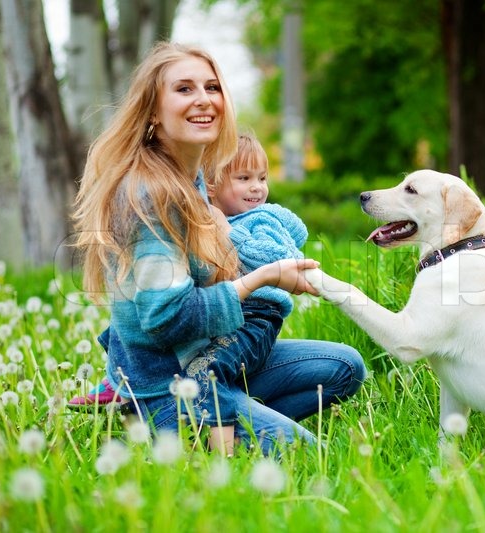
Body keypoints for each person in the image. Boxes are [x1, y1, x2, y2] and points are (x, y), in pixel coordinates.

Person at [71, 41, 365, 455]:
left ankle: (227, 420)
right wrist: (262, 278)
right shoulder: (152, 195)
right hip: (170, 383)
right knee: (306, 455)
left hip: (208, 363)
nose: (204, 99)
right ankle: (179, 423)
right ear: (153, 111)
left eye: (212, 87)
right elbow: (166, 319)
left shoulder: (190, 180)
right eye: (184, 89)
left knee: (344, 368)